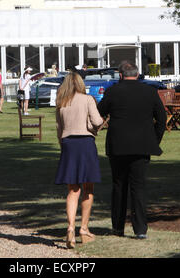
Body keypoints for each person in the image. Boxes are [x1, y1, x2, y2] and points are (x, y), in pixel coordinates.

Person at [97, 61, 166, 239]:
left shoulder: (113, 91)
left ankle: (118, 227)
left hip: (118, 146)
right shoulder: (150, 92)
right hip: (142, 146)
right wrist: (154, 140)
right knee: (139, 187)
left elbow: (100, 112)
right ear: (137, 74)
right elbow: (162, 119)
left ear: (120, 75)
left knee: (119, 186)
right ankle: (141, 229)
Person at [55, 72, 104, 249]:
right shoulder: (87, 99)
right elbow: (97, 120)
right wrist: (96, 127)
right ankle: (83, 228)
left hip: (68, 144)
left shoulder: (61, 102)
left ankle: (70, 228)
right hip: (85, 143)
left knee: (73, 189)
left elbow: (59, 129)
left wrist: (63, 145)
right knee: (88, 188)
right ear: (81, 83)